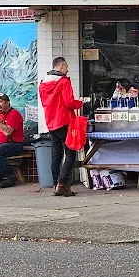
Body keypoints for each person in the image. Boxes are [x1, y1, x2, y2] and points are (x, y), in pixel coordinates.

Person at [39, 57, 86, 197]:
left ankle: (55, 184)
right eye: (66, 67)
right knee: (71, 153)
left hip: (50, 122)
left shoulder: (43, 83)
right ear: (61, 66)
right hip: (64, 120)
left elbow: (44, 103)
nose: (67, 70)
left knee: (56, 154)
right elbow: (69, 102)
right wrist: (80, 103)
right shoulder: (64, 81)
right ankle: (62, 184)